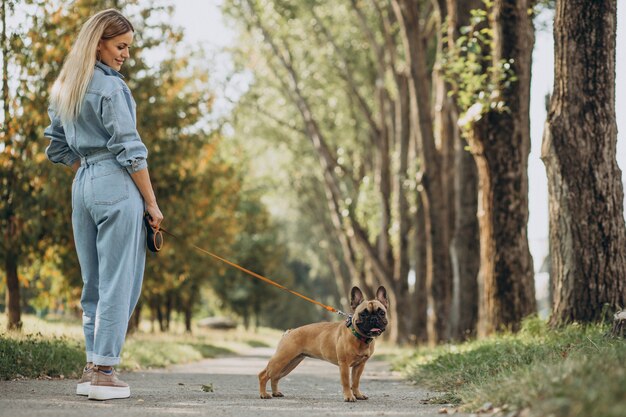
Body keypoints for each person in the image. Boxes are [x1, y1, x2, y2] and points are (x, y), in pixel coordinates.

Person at [44, 9, 163, 401]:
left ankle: (92, 365)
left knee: (93, 283)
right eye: (120, 46)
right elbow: (131, 151)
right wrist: (151, 202)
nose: (126, 54)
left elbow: (57, 146)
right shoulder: (111, 89)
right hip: (115, 180)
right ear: (99, 43)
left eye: (128, 46)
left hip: (82, 186)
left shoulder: (66, 87)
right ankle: (106, 372)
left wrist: (89, 172)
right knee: (119, 280)